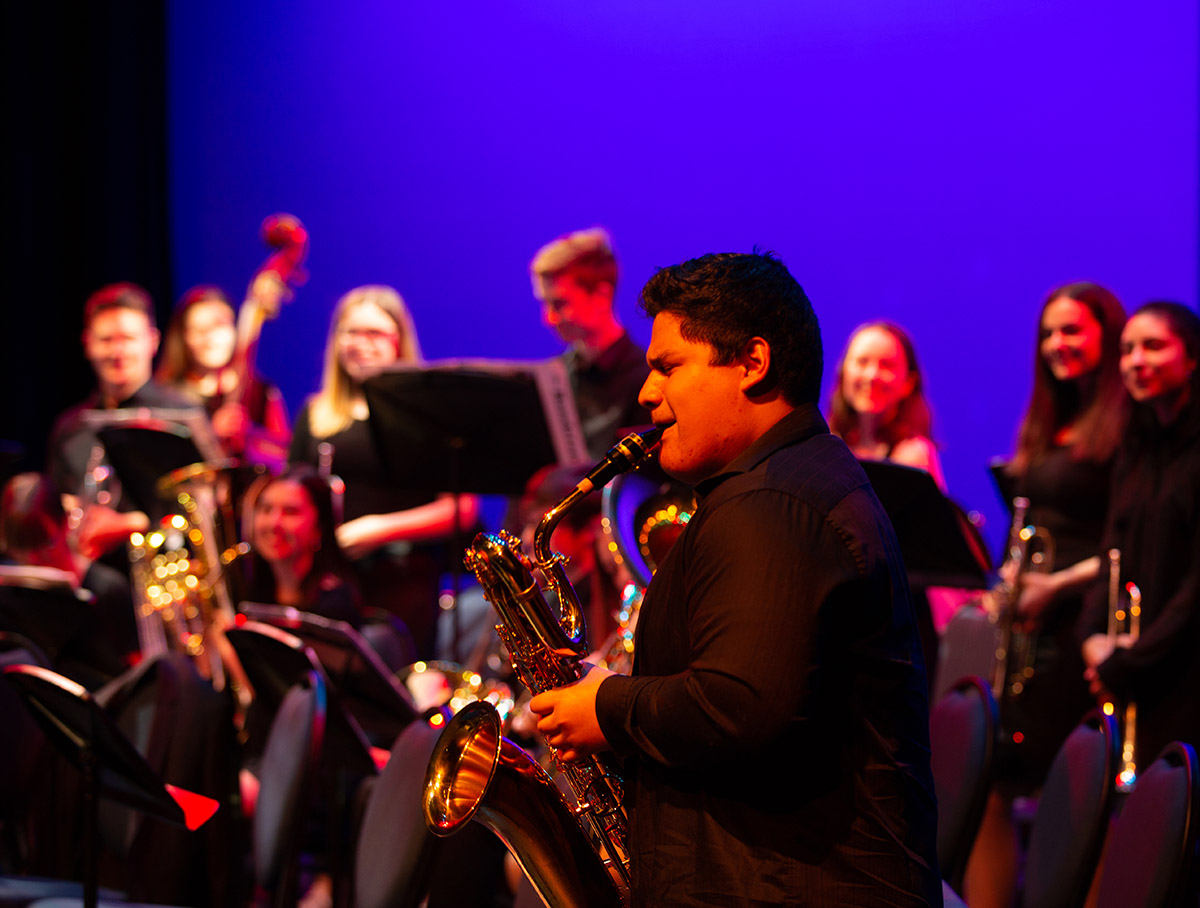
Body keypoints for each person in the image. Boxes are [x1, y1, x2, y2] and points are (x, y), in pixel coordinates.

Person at [529, 252, 941, 907]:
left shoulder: (771, 503)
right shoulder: (791, 482)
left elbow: (738, 706)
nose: (647, 393)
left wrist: (606, 707)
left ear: (752, 363)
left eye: (668, 367)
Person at [963, 281, 1127, 908]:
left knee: (1083, 796)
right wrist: (1010, 583)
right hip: (1033, 636)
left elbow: (1130, 541)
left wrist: (1054, 584)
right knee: (994, 781)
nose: (1058, 344)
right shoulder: (1050, 422)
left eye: (1073, 330)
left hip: (1080, 630)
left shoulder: (1125, 423)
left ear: (1106, 335)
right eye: (1049, 333)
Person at [288, 285, 478, 659]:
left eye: (374, 333)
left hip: (401, 576)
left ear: (398, 340)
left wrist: (377, 530)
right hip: (330, 582)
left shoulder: (424, 415)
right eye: (350, 332)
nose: (361, 344)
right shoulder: (315, 413)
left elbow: (462, 508)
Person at [1079, 301, 1200, 771]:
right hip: (1137, 668)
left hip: (1181, 669)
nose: (1135, 361)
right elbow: (1112, 551)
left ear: (1192, 358)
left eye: (1153, 346)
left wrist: (1130, 662)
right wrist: (1092, 638)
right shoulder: (1136, 447)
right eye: (1127, 350)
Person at [46, 282, 198, 560]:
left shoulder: (183, 418)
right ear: (87, 343)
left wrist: (130, 524)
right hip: (88, 573)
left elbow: (202, 512)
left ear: (153, 341)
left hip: (167, 571)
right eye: (106, 340)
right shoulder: (71, 427)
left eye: (128, 338)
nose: (117, 352)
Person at [531, 227, 650, 459]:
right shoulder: (555, 376)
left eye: (560, 304)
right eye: (545, 303)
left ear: (601, 296)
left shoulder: (645, 379)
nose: (549, 318)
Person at [155, 284, 290, 469]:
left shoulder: (261, 392)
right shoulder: (168, 396)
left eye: (220, 325)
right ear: (184, 336)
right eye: (200, 330)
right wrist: (211, 434)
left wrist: (252, 437)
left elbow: (286, 457)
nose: (211, 338)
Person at [240, 465, 362, 629]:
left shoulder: (335, 605)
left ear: (319, 527)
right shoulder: (249, 591)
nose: (273, 523)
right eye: (266, 509)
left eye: (290, 512)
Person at [828, 321, 945, 489]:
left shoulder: (914, 457)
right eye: (862, 361)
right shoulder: (827, 444)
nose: (871, 375)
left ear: (909, 382)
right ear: (842, 372)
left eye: (886, 365)